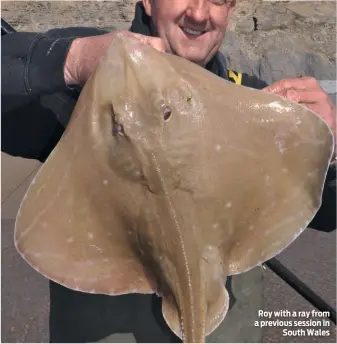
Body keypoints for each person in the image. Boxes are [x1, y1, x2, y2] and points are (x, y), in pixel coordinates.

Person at [2, 0, 336, 342]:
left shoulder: (249, 95)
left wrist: (325, 146)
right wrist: (71, 61)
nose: (199, 13)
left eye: (218, 0)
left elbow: (328, 211)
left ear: (231, 10)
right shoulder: (77, 87)